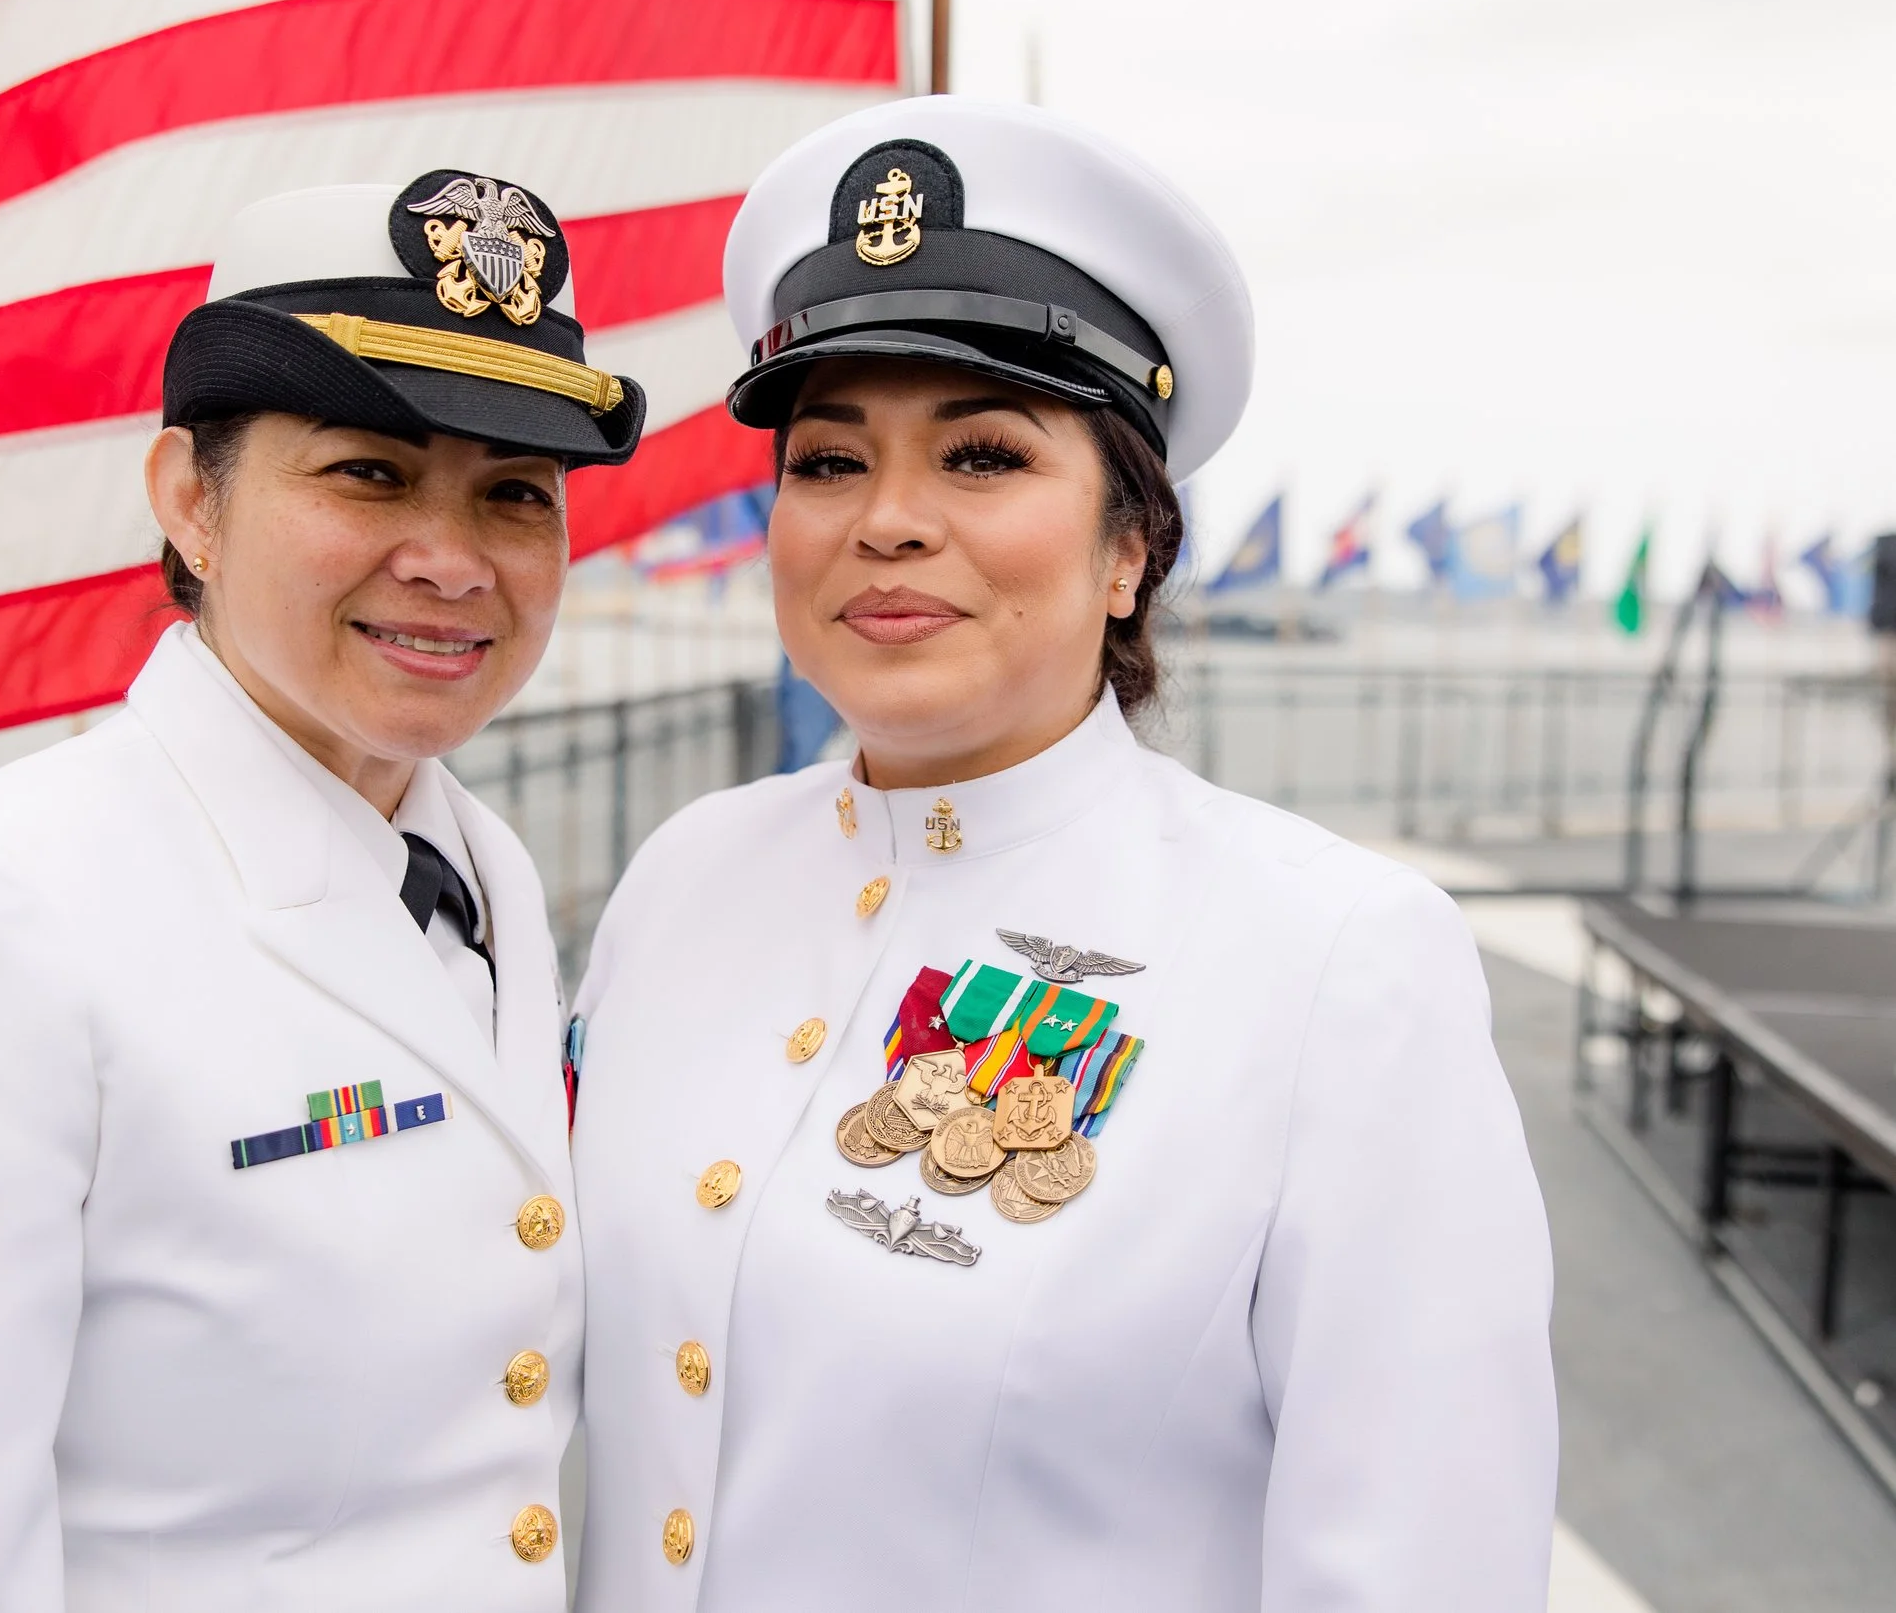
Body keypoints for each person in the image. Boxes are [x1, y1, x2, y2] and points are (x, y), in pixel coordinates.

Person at [568, 96, 1556, 1612]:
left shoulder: (1332, 961)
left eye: (980, 455)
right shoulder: (686, 878)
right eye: (827, 462)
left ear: (1127, 548)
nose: (888, 521)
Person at [0, 170, 643, 1611]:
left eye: (515, 495)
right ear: (188, 503)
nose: (453, 562)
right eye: (368, 472)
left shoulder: (483, 873)